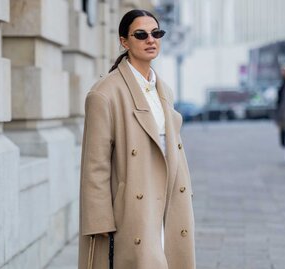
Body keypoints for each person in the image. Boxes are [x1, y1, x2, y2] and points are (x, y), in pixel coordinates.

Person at [78, 9, 195, 269]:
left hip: (169, 200)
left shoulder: (164, 90)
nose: (150, 40)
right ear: (124, 41)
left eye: (156, 33)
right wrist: (100, 222)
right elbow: (95, 166)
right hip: (133, 208)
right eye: (141, 34)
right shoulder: (104, 93)